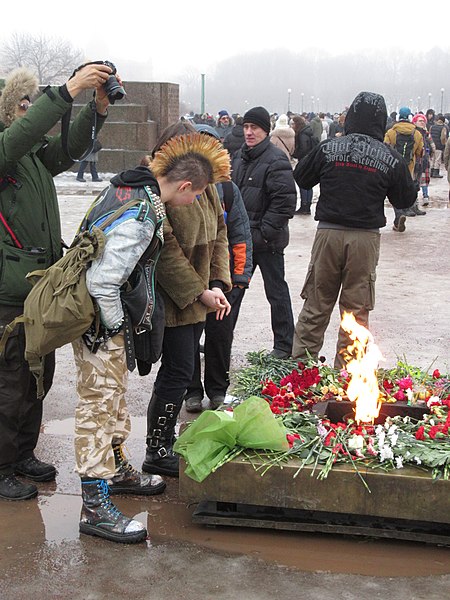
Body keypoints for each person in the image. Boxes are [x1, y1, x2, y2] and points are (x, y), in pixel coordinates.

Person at [72, 131, 228, 543]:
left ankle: (120, 469)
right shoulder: (143, 215)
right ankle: (94, 505)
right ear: (184, 185)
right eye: (196, 196)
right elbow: (104, 282)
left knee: (114, 400)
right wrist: (112, 330)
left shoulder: (130, 188)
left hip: (101, 321)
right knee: (97, 410)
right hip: (98, 324)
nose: (196, 203)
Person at [0, 62, 114, 502]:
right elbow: (17, 138)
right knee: (10, 377)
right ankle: (3, 464)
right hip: (8, 289)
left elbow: (65, 151)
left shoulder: (26, 154)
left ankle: (23, 452)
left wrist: (96, 109)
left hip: (35, 284)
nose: (28, 109)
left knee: (36, 372)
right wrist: (65, 92)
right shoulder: (8, 148)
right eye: (21, 103)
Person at [292, 91, 417, 369]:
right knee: (356, 311)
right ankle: (347, 377)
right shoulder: (390, 157)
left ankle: (300, 374)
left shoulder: (328, 148)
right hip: (365, 238)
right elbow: (405, 201)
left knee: (315, 305)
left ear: (350, 118)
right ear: (381, 121)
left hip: (328, 233)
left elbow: (301, 176)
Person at [142, 121, 232, 478]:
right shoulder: (156, 184)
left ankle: (161, 444)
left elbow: (220, 231)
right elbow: (165, 250)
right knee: (178, 369)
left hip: (199, 295)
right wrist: (198, 290)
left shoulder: (204, 183)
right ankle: (157, 448)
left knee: (181, 369)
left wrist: (217, 282)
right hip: (171, 297)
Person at [184, 124, 253, 412]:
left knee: (220, 335)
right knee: (186, 339)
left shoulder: (227, 189)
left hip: (221, 279)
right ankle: (191, 391)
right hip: (188, 281)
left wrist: (238, 278)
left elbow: (239, 235)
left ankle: (218, 389)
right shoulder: (182, 187)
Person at [231, 106, 297, 359]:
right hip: (241, 240)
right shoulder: (238, 157)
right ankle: (221, 337)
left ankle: (283, 344)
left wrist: (264, 233)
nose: (249, 132)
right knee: (232, 292)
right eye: (246, 127)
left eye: (254, 128)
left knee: (276, 292)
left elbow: (284, 202)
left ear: (265, 131)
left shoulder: (276, 159)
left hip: (267, 241)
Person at [384, 106, 425, 227]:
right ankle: (410, 208)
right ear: (410, 118)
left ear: (398, 117)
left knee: (393, 190)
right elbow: (419, 152)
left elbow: (385, 148)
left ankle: (399, 214)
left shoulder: (391, 132)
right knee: (408, 188)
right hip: (409, 167)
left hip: (393, 166)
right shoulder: (416, 133)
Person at [291, 114, 319, 215]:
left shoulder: (302, 134)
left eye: (293, 123)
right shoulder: (308, 131)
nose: (292, 125)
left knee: (302, 182)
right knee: (309, 184)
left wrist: (295, 154)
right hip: (310, 159)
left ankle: (304, 206)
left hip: (304, 160)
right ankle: (307, 206)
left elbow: (303, 148)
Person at [412, 113, 435, 206]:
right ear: (415, 122)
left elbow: (433, 145)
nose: (422, 123)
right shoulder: (412, 132)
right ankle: (415, 198)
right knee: (415, 180)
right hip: (415, 160)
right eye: (420, 121)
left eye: (423, 121)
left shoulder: (426, 134)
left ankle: (425, 196)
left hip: (424, 160)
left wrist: (430, 155)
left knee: (424, 180)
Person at [429, 114, 448, 178]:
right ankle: (436, 173)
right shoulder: (443, 128)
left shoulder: (432, 126)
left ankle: (431, 172)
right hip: (439, 146)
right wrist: (444, 145)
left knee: (432, 159)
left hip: (431, 145)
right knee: (437, 159)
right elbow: (443, 138)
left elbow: (429, 135)